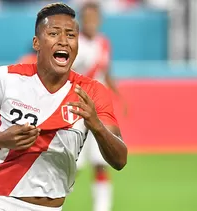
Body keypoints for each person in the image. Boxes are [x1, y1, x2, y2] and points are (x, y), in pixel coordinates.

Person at [0, 2, 127, 211]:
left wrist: (96, 125)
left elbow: (120, 160)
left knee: (98, 168)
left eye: (70, 35)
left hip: (51, 208)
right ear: (36, 42)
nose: (63, 41)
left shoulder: (93, 92)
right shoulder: (5, 78)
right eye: (53, 34)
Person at [72, 2, 125, 211]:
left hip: (99, 112)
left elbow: (106, 72)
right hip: (76, 110)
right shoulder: (74, 42)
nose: (91, 22)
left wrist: (120, 96)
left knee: (101, 161)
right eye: (87, 19)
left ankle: (102, 208)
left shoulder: (104, 43)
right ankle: (48, 201)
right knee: (71, 164)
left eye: (94, 18)